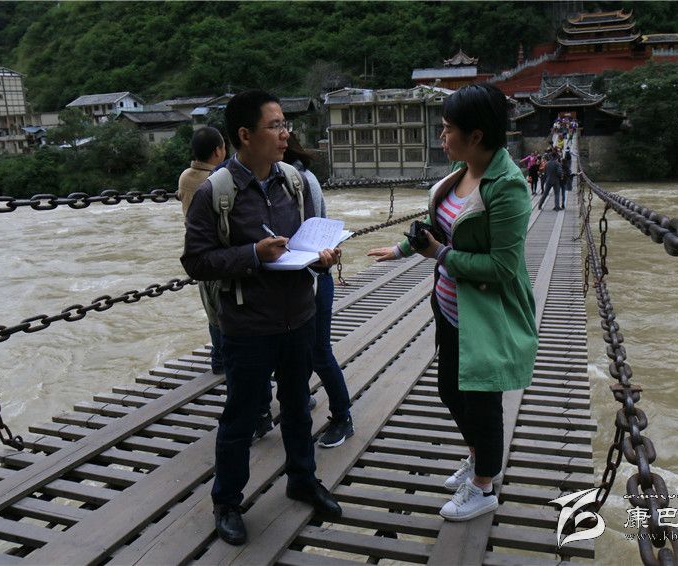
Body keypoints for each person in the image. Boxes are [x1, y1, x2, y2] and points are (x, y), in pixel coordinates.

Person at [367, 83, 538, 522]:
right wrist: (402, 249)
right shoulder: (461, 172)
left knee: (482, 402)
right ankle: (478, 457)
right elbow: (438, 228)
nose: (441, 137)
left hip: (484, 314)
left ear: (475, 135)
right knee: (449, 389)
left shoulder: (508, 187)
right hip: (448, 308)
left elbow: (502, 267)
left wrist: (439, 255)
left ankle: (483, 486)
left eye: (447, 129)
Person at [180, 89, 342, 546]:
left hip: (298, 317)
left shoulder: (292, 181)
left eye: (284, 124)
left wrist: (321, 258)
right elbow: (195, 261)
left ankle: (302, 479)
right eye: (274, 126)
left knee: (297, 407)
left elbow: (304, 244)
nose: (285, 133)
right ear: (245, 135)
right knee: (240, 416)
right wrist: (253, 253)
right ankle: (227, 502)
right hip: (248, 326)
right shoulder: (216, 192)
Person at [282, 132, 355, 448]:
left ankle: (343, 417)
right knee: (294, 350)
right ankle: (302, 399)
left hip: (312, 276)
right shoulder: (290, 177)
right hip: (297, 279)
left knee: (319, 352)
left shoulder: (299, 180)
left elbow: (312, 231)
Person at [178, 126, 228, 374]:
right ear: (218, 151)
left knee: (211, 313)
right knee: (225, 312)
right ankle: (224, 360)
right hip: (219, 253)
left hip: (197, 251)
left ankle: (217, 360)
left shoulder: (185, 177)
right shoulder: (217, 180)